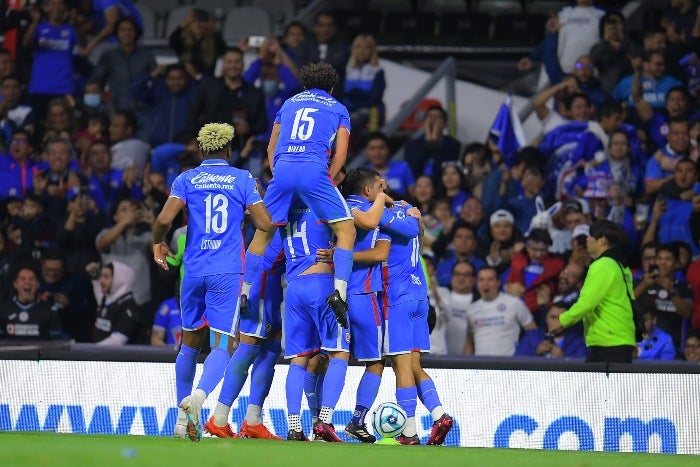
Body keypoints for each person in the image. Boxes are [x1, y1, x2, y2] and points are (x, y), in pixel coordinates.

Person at [152, 122, 273, 442]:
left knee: (189, 343)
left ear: (201, 149)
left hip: (192, 271)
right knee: (221, 344)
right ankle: (200, 398)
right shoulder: (242, 178)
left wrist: (156, 243)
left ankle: (181, 420)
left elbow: (164, 219)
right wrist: (253, 206)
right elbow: (265, 223)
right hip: (227, 271)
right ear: (230, 149)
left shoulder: (186, 178)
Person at [241, 62, 356, 332]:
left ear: (304, 85)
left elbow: (271, 146)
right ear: (330, 87)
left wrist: (277, 173)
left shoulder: (289, 103)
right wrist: (326, 178)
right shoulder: (338, 108)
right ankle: (339, 293)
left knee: (263, 233)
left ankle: (245, 292)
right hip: (314, 170)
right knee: (346, 230)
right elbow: (340, 153)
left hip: (282, 170)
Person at [378, 200, 454, 445]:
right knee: (413, 365)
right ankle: (439, 414)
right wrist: (418, 218)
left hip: (398, 299)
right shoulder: (411, 217)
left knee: (401, 367)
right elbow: (421, 235)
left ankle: (409, 431)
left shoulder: (385, 220)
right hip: (420, 298)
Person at [279, 199, 351, 442]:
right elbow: (351, 231)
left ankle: (294, 427)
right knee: (339, 353)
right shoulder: (323, 202)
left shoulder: (283, 207)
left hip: (294, 287)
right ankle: (325, 421)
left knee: (300, 358)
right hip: (321, 283)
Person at [205, 234, 285, 441]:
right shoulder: (277, 207)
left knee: (271, 351)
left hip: (277, 286)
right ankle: (219, 418)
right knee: (248, 348)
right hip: (262, 283)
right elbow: (259, 241)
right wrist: (247, 290)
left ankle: (253, 420)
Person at [337, 167, 391, 443]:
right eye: (380, 186)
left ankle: (318, 420)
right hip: (365, 294)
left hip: (337, 291)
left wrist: (339, 256)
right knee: (376, 362)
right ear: (368, 190)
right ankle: (357, 421)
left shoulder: (339, 206)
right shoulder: (373, 213)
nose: (384, 190)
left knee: (331, 357)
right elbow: (381, 252)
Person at [551, 220, 636, 363]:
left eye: (590, 236)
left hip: (609, 341)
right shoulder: (621, 265)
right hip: (621, 338)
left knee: (597, 384)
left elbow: (587, 302)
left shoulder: (602, 265)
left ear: (602, 240)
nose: (587, 240)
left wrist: (562, 320)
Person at [465, 267, 537, 357]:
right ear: (477, 283)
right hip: (481, 366)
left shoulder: (514, 302)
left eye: (490, 279)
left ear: (498, 283)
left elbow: (533, 332)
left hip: (509, 364)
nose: (485, 283)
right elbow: (469, 342)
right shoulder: (471, 309)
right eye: (481, 280)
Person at [0, 264, 63, 340]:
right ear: (15, 284)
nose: (27, 282)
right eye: (23, 279)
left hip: (40, 352)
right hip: (11, 352)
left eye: (32, 279)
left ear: (37, 285)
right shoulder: (3, 309)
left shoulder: (50, 310)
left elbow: (56, 344)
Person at [88, 260, 137, 345]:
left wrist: (91, 351)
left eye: (106, 277)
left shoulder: (128, 307)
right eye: (101, 276)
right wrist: (94, 275)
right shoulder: (109, 298)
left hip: (115, 357)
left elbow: (118, 340)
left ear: (119, 279)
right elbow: (98, 290)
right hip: (99, 354)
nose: (101, 281)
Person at [515, 303, 588, 358]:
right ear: (546, 319)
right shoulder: (531, 336)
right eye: (553, 317)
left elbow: (583, 370)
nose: (556, 321)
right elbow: (516, 361)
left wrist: (564, 359)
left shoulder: (578, 342)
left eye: (561, 318)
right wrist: (535, 352)